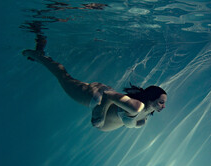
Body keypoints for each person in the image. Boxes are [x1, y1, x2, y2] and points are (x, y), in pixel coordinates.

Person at [22, 33, 167, 132]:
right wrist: (100, 113)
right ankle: (39, 55)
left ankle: (40, 54)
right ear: (150, 97)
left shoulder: (149, 111)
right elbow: (109, 95)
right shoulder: (137, 106)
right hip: (94, 98)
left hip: (102, 95)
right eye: (161, 102)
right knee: (63, 76)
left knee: (65, 77)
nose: (163, 106)